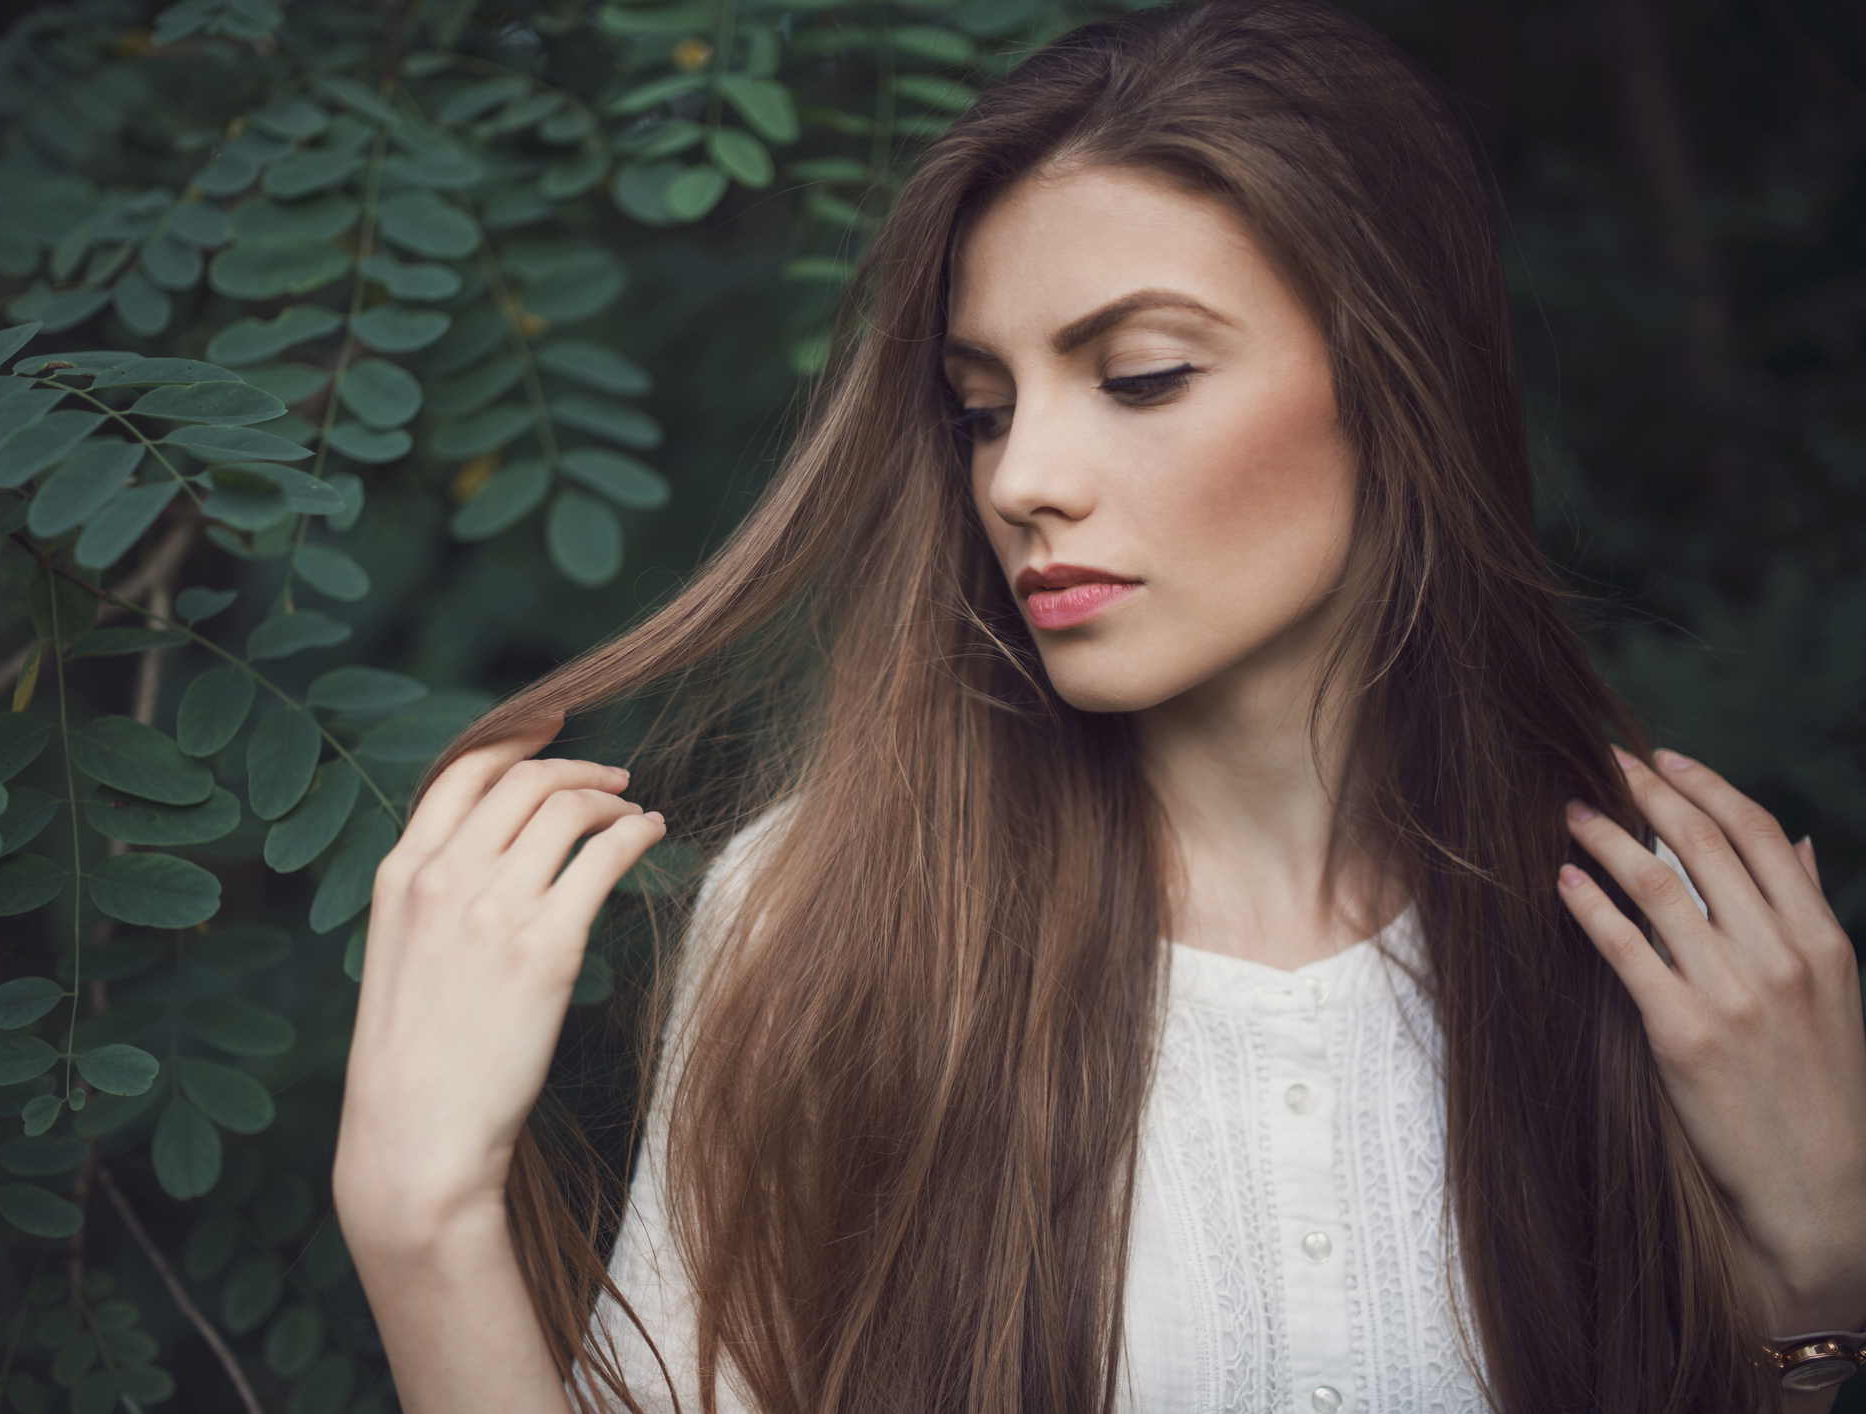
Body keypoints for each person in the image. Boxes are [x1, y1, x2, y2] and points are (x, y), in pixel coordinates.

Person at [331, 1, 1866, 1409]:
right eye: (983, 407)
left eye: (1138, 376)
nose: (1020, 477)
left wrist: (1816, 1290)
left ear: (1399, 382)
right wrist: (423, 1218)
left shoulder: (1658, 945)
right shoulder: (833, 920)